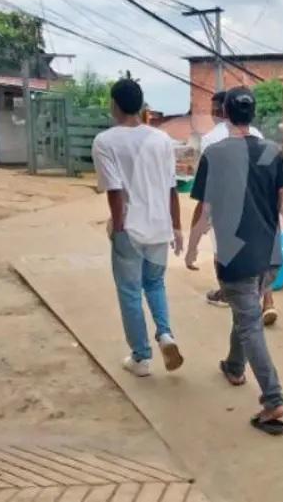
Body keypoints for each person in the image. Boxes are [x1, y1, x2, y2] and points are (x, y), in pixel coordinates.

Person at [185, 87, 283, 435]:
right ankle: (234, 366)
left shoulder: (216, 154)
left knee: (249, 322)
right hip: (270, 256)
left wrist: (193, 248)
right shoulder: (271, 152)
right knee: (247, 310)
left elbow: (206, 210)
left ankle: (273, 399)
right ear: (252, 114)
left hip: (234, 257)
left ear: (224, 112)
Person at [92, 78, 185, 377]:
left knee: (130, 291)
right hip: (160, 227)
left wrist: (117, 228)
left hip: (130, 229)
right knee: (155, 284)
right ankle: (165, 334)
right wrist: (177, 227)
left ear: (114, 105)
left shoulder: (105, 141)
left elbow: (115, 191)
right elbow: (172, 188)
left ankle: (141, 358)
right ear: (143, 105)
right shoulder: (161, 140)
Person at [198, 91, 277, 324]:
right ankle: (268, 302)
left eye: (214, 110)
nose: (213, 114)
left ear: (222, 111)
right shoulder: (257, 134)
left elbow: (208, 183)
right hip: (259, 205)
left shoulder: (210, 139)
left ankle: (228, 295)